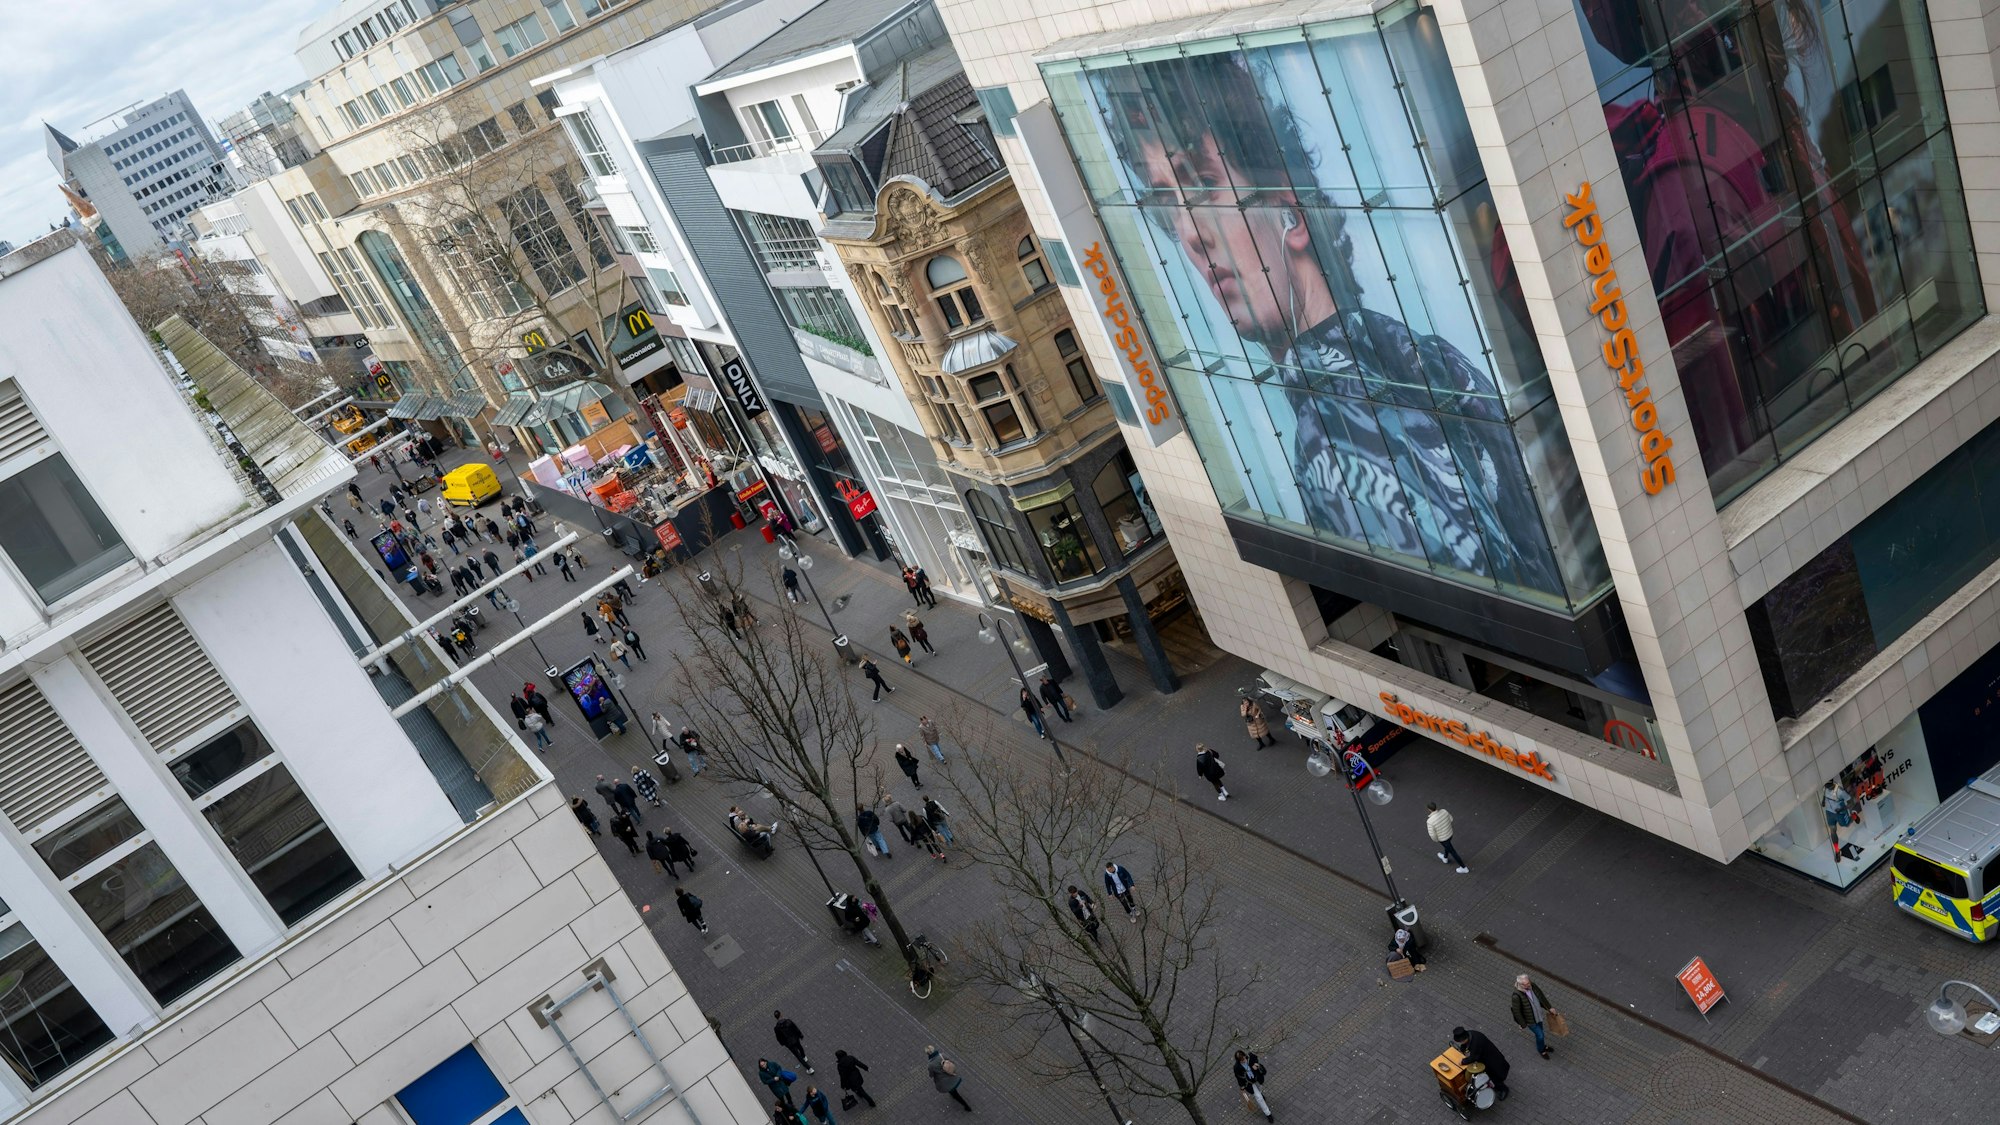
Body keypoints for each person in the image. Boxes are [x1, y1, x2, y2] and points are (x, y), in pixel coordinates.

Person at [1450, 1027, 1509, 1099]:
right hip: (1485, 1058)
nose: (1460, 1043)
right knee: (1490, 1074)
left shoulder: (1476, 1043)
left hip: (1491, 1059)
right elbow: (1465, 1046)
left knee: (1495, 1075)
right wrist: (1463, 1050)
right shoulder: (1470, 1034)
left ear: (1465, 1039)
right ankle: (1496, 1085)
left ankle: (1504, 1089)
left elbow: (1474, 1057)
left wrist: (1463, 1061)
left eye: (1461, 1041)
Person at [1511, 974, 1557, 1059]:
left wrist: (1549, 1008)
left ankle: (1543, 1046)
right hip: (1530, 1021)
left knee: (1540, 1033)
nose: (1529, 985)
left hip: (1538, 1016)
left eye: (1529, 982)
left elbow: (1541, 997)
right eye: (1526, 984)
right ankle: (1541, 1050)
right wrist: (1522, 1024)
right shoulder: (1516, 996)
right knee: (1540, 1035)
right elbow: (1517, 1012)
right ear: (1520, 985)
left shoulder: (1533, 986)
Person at [1427, 802, 1470, 873]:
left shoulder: (1430, 821)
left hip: (1443, 839)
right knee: (1448, 846)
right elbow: (1451, 819)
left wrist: (1436, 840)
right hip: (1450, 834)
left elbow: (1432, 835)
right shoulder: (1444, 811)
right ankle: (1445, 858)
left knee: (1453, 852)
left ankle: (1464, 868)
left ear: (1429, 809)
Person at [925, 1046, 970, 1112]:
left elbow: (931, 1075)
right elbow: (951, 1061)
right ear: (933, 1050)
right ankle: (954, 1095)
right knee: (953, 1090)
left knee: (956, 1095)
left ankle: (966, 1106)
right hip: (951, 1076)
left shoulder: (930, 1065)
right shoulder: (942, 1055)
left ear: (928, 1054)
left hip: (944, 1083)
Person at [1234, 1050, 1273, 1122]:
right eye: (1241, 1060)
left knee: (1260, 1090)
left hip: (1258, 1078)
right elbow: (1238, 1077)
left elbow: (1256, 1060)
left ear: (1244, 1055)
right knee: (1259, 1098)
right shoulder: (1236, 1067)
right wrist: (1241, 1086)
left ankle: (1261, 1094)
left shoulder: (1250, 1056)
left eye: (1243, 1059)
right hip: (1249, 1083)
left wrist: (1256, 1065)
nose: (1243, 1061)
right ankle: (1268, 1114)